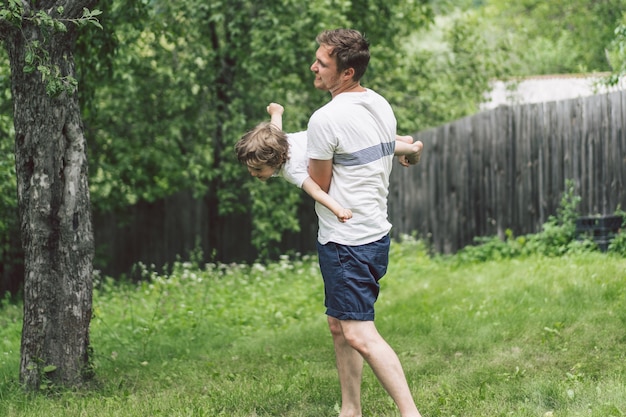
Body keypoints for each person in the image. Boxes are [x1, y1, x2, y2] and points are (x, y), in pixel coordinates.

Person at [306, 28, 424, 417]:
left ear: (347, 74)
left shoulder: (325, 119)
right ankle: (350, 409)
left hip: (346, 242)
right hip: (374, 235)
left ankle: (411, 413)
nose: (314, 67)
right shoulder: (378, 104)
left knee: (359, 332)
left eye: (323, 64)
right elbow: (387, 146)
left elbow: (320, 184)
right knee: (339, 325)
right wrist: (409, 150)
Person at [234, 102, 422, 223]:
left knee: (371, 145)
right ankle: (402, 139)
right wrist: (276, 111)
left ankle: (411, 149)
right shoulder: (274, 141)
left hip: (331, 145)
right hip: (334, 136)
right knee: (364, 134)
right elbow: (275, 127)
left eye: (257, 169)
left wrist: (337, 209)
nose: (253, 173)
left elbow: (316, 190)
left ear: (275, 159)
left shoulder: (291, 169)